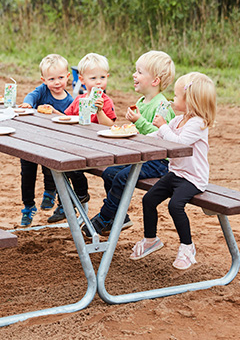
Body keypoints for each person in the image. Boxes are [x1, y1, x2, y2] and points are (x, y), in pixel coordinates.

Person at [81, 50, 175, 238]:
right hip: (142, 156)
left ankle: (105, 217)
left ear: (154, 81)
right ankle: (120, 216)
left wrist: (138, 122)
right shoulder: (141, 101)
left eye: (139, 72)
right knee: (109, 173)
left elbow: (162, 136)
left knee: (123, 177)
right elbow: (139, 132)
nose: (134, 75)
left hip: (159, 161)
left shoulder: (162, 106)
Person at [129, 72, 217, 270]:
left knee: (175, 206)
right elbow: (158, 135)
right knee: (148, 200)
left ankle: (187, 247)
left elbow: (179, 144)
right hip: (176, 173)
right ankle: (151, 239)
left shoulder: (198, 124)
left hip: (193, 179)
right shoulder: (179, 120)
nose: (172, 100)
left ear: (191, 102)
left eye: (176, 97)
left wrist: (162, 126)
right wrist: (138, 136)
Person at [48, 52, 116, 223]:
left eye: (102, 77)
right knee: (54, 161)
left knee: (71, 165)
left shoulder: (105, 101)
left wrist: (99, 110)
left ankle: (79, 195)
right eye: (93, 78)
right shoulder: (79, 100)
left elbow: (110, 126)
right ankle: (73, 200)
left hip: (98, 147)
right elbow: (67, 116)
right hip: (80, 145)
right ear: (82, 79)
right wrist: (53, 112)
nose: (98, 82)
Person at [17, 54, 75, 226]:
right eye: (51, 79)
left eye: (60, 78)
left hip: (53, 144)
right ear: (44, 80)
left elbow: (69, 120)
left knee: (50, 169)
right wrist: (28, 104)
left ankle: (50, 192)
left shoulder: (70, 101)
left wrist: (55, 112)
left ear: (67, 77)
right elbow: (31, 96)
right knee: (27, 173)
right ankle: (28, 206)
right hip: (32, 140)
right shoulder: (43, 91)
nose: (57, 82)